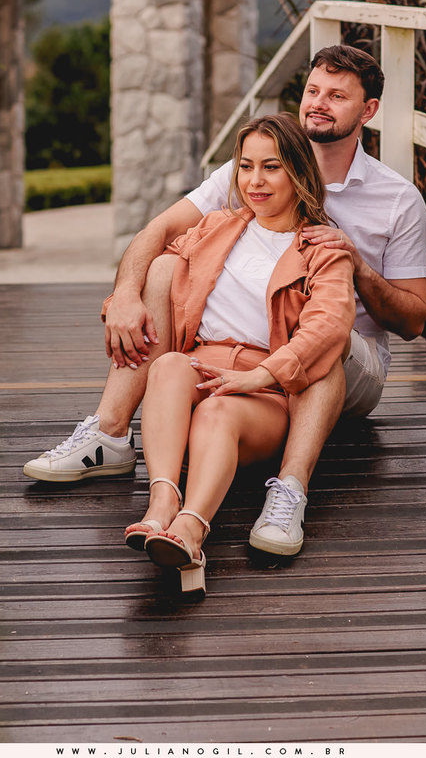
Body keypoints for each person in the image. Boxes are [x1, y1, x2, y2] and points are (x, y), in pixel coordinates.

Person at [23, 45, 426, 557]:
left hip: (346, 363)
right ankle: (111, 432)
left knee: (330, 337)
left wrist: (358, 265)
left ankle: (289, 490)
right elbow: (162, 231)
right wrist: (125, 295)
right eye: (312, 91)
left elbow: (414, 320)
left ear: (367, 111)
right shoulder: (252, 170)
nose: (318, 104)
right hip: (247, 350)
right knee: (169, 271)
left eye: (337, 96)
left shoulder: (396, 199)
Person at [125, 113, 356, 596]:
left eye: (271, 167)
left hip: (262, 392)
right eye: (246, 166)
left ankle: (191, 529)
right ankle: (162, 501)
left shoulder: (321, 249)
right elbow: (154, 260)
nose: (255, 181)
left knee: (218, 411)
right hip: (202, 366)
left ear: (297, 170)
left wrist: (261, 377)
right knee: (168, 365)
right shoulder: (216, 227)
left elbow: (329, 327)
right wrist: (118, 302)